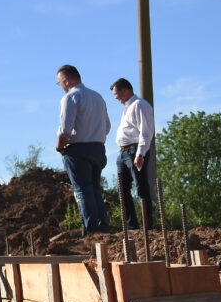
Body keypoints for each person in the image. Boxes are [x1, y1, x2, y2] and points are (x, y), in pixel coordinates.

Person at [55, 65, 112, 235]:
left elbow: (65, 129)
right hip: (98, 148)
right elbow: (107, 126)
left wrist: (60, 147)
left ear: (66, 81)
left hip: (78, 150)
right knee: (95, 190)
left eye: (60, 84)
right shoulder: (97, 97)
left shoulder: (70, 97)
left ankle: (91, 232)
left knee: (82, 191)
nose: (61, 87)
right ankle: (103, 229)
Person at [110, 78, 155, 230]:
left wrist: (141, 153)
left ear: (125, 90)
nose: (115, 98)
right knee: (123, 190)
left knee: (141, 187)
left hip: (134, 151)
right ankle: (132, 226)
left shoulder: (139, 105)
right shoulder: (127, 107)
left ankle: (148, 227)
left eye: (117, 94)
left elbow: (146, 131)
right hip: (123, 153)